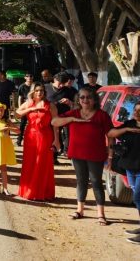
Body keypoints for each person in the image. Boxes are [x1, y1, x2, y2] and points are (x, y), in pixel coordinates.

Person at [52, 88, 113, 226]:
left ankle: (101, 214)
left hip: (96, 155)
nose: (85, 100)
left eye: (89, 97)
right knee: (81, 181)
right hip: (77, 153)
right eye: (82, 97)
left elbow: (110, 136)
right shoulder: (74, 113)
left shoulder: (102, 115)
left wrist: (110, 156)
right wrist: (72, 119)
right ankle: (80, 210)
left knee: (96, 182)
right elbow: (54, 122)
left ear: (94, 100)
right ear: (78, 100)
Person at [15, 83, 58, 201]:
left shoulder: (50, 105)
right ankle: (29, 191)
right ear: (33, 92)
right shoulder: (28, 103)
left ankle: (42, 193)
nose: (39, 93)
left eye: (41, 90)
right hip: (31, 136)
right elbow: (17, 114)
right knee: (30, 163)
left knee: (42, 163)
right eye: (37, 90)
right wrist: (30, 109)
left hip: (45, 136)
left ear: (44, 92)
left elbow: (56, 124)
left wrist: (56, 140)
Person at [107, 102, 140, 244]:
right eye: (135, 110)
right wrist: (126, 129)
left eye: (139, 110)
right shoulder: (130, 124)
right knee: (137, 199)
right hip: (130, 168)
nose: (136, 112)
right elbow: (110, 133)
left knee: (138, 198)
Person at [16, 73, 34, 146]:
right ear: (25, 77)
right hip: (25, 107)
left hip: (33, 107)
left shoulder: (35, 86)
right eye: (27, 76)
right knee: (22, 124)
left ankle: (32, 139)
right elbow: (20, 97)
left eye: (30, 76)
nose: (29, 77)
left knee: (33, 123)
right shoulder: (22, 86)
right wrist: (20, 108)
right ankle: (19, 139)